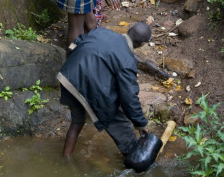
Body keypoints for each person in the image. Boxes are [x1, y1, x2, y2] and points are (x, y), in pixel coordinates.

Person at [57, 22, 152, 158]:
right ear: (142, 44)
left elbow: (77, 42)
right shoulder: (128, 61)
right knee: (114, 112)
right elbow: (129, 97)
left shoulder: (100, 31)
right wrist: (141, 124)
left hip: (67, 77)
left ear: (129, 29)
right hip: (84, 85)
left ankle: (66, 158)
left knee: (77, 121)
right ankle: (134, 156)